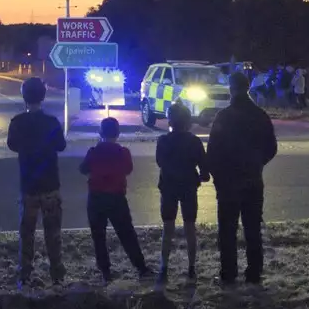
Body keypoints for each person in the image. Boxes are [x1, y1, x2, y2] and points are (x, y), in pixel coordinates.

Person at [208, 71, 278, 287]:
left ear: (231, 89)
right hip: (252, 180)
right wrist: (257, 164)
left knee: (227, 231)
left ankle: (228, 274)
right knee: (252, 229)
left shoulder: (224, 117)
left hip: (228, 182)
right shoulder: (260, 115)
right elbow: (271, 148)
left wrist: (218, 176)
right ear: (247, 88)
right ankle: (254, 273)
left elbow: (213, 151)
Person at [6, 76, 67, 288]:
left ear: (24, 97)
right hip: (50, 184)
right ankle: (57, 274)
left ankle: (24, 275)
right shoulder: (51, 122)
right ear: (43, 96)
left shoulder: (17, 123)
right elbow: (61, 145)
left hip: (29, 186)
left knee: (27, 233)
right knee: (53, 233)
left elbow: (12, 145)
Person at [79, 116, 150, 285]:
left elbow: (83, 169)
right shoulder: (123, 152)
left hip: (96, 198)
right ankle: (140, 267)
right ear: (117, 134)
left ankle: (105, 272)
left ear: (100, 133)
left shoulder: (93, 152)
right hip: (117, 198)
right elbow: (128, 169)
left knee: (99, 236)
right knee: (127, 234)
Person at [156, 103, 209, 286]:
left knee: (168, 227)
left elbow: (160, 162)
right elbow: (204, 169)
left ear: (170, 121)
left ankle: (163, 268)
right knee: (189, 227)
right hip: (188, 187)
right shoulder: (194, 142)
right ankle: (191, 268)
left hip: (169, 186)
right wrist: (202, 175)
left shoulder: (163, 141)